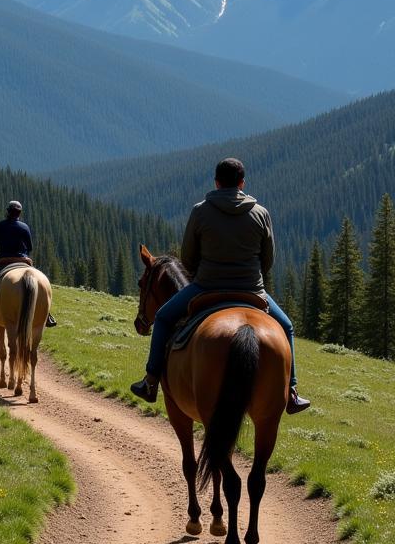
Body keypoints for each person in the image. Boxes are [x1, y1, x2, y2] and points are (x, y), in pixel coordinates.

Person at [130, 158, 308, 414]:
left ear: (216, 182)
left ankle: (150, 381)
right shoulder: (261, 213)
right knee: (287, 327)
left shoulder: (200, 211)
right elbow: (267, 261)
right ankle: (291, 391)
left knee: (164, 317)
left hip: (206, 287)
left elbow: (188, 259)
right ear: (242, 183)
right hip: (252, 290)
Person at [0, 200, 56, 327]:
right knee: (39, 281)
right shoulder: (24, 227)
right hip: (23, 260)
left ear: (7, 212)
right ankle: (47, 314)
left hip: (3, 261)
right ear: (19, 213)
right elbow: (30, 247)